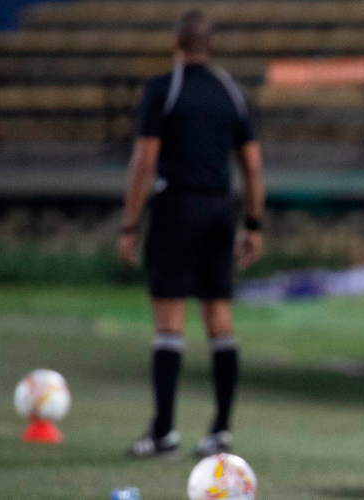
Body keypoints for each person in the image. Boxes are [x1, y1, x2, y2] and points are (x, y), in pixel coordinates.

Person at [117, 9, 264, 458]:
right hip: (221, 209)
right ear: (211, 45)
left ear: (176, 43)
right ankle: (220, 431)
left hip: (176, 208)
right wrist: (253, 223)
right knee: (220, 320)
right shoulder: (231, 92)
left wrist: (129, 224)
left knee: (169, 323)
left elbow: (145, 161)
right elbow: (253, 167)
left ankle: (163, 432)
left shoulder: (163, 89)